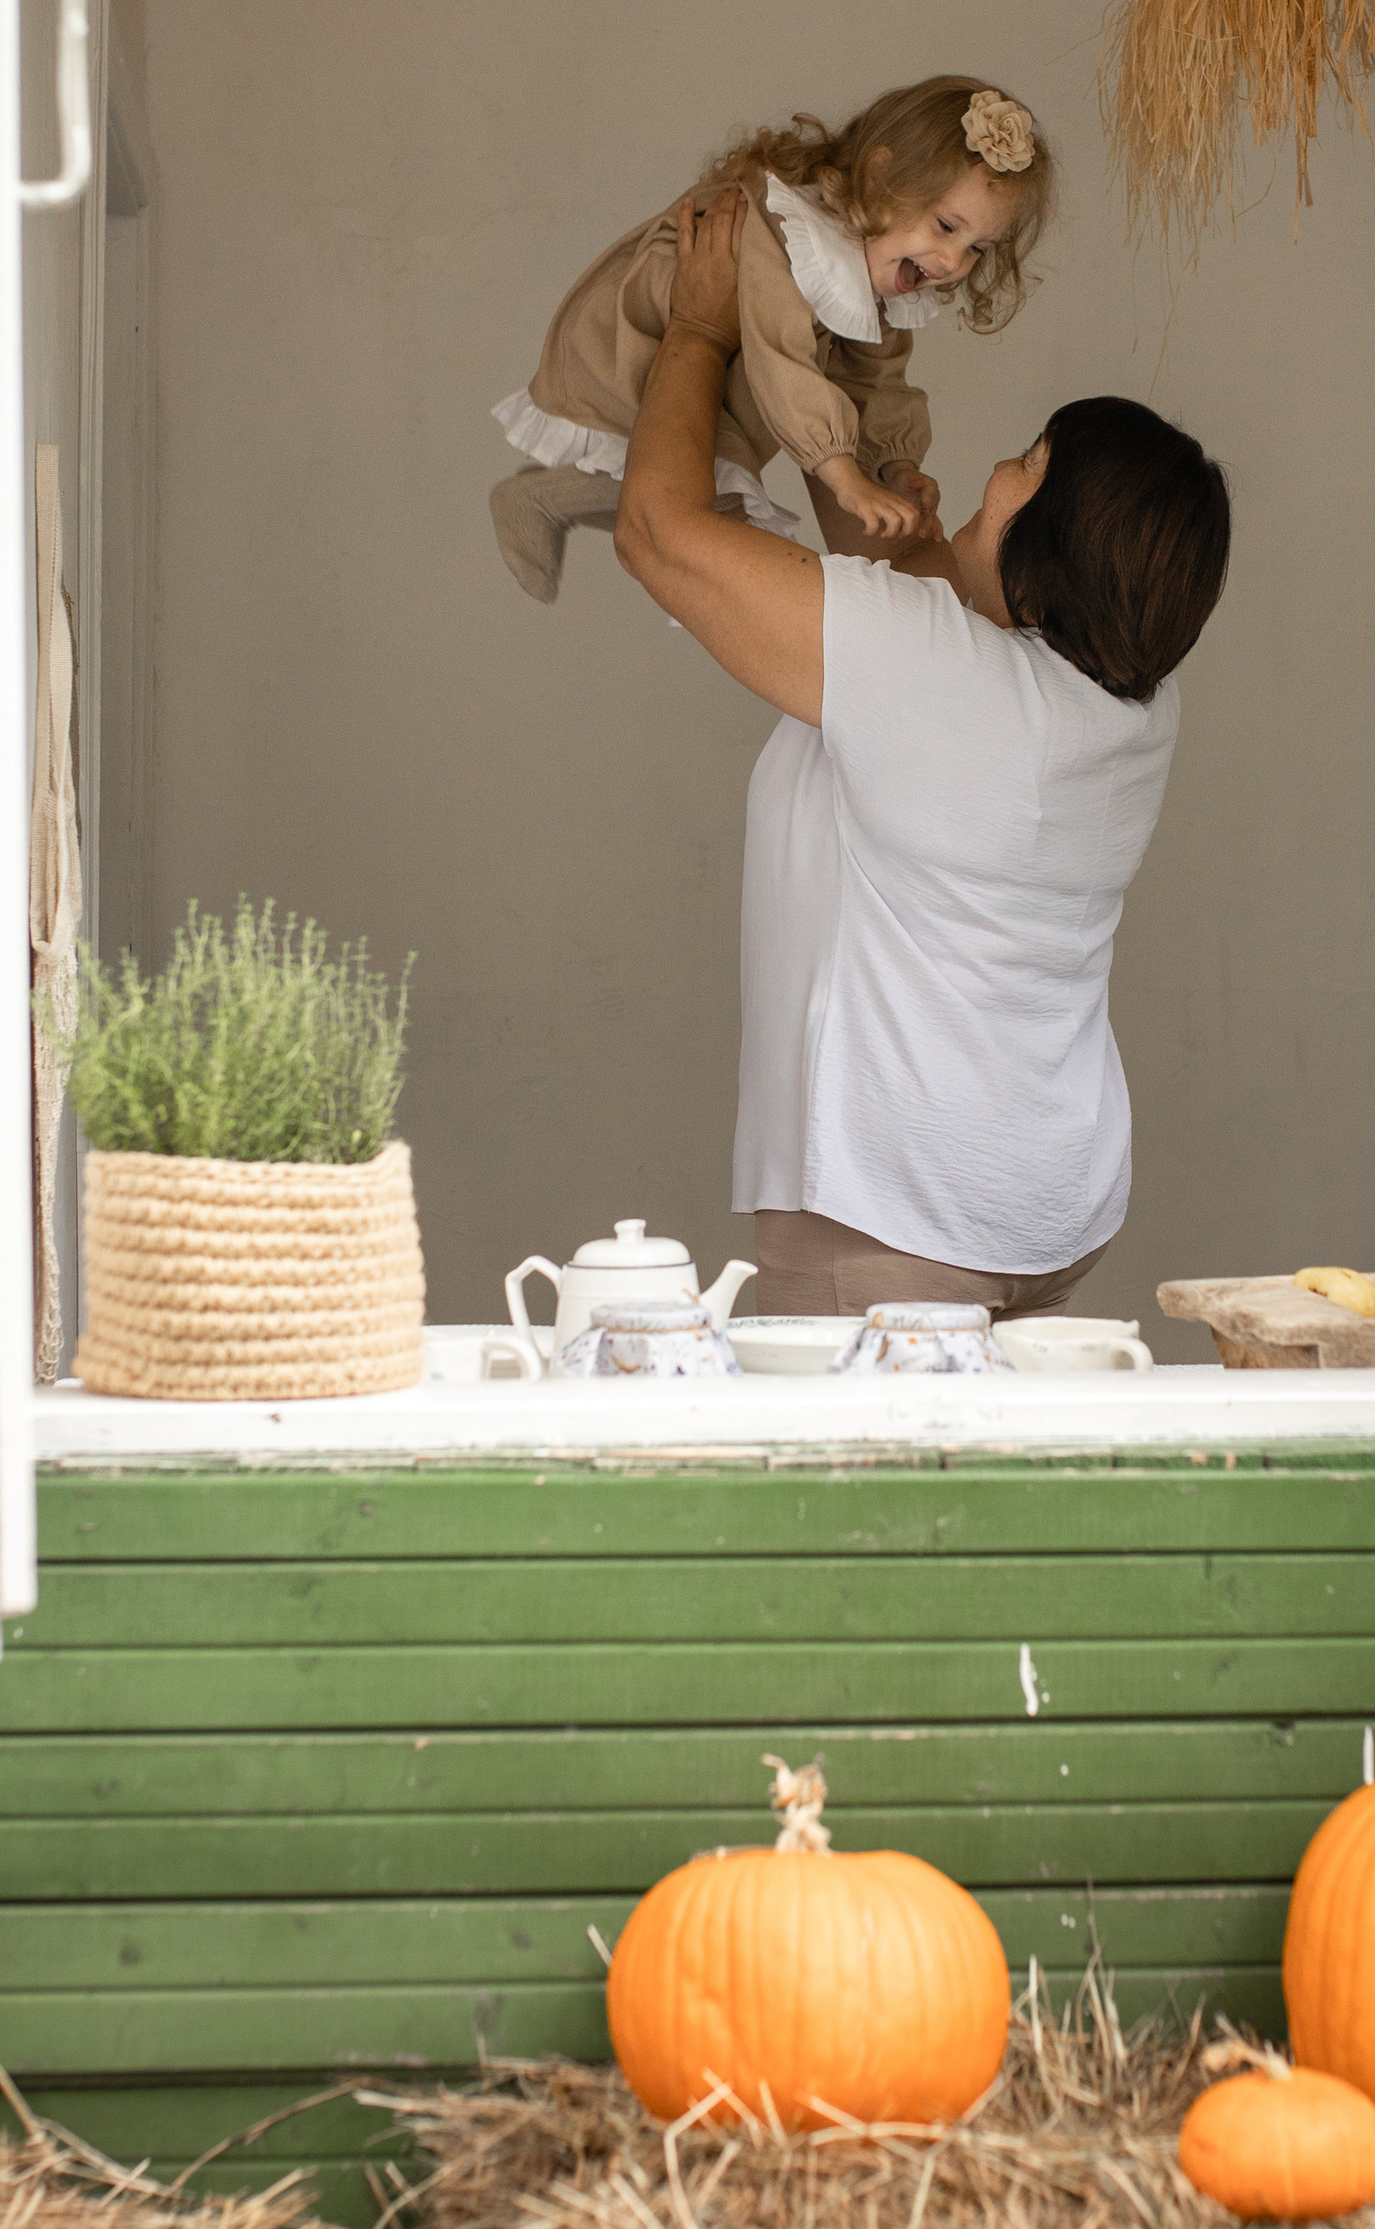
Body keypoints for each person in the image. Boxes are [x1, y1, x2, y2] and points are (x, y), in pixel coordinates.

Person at [615, 187, 1232, 1320]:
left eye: (1021, 468)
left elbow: (658, 533)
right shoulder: (1135, 705)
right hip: (1046, 1196)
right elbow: (911, 626)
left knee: (844, 1505)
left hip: (893, 1214)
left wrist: (702, 331)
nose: (994, 477)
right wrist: (839, 449)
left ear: (1048, 528)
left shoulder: (937, 669)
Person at [488, 76, 1049, 603]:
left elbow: (874, 380)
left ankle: (557, 503)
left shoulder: (879, 270)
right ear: (882, 180)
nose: (953, 261)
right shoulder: (791, 234)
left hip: (731, 359)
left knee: (710, 509)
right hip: (644, 341)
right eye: (947, 226)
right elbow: (781, 356)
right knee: (701, 502)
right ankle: (541, 499)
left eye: (979, 247)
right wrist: (842, 475)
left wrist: (892, 465)